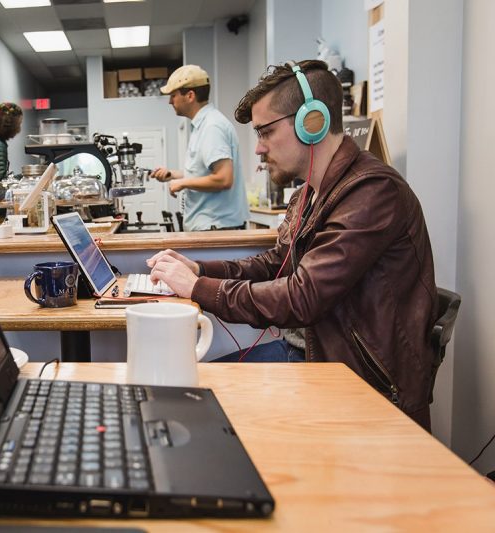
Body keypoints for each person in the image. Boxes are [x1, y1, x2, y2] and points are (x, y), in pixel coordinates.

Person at [146, 60, 438, 431]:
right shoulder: (309, 194)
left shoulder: (371, 192)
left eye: (265, 132)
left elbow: (303, 298)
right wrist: (200, 270)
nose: (258, 149)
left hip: (360, 379)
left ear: (311, 123)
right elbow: (275, 263)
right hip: (310, 353)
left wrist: (199, 289)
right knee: (184, 392)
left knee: (193, 409)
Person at [150, 65, 249, 231]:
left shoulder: (212, 126)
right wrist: (172, 174)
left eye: (173, 95)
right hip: (210, 227)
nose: (169, 101)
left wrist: (183, 183)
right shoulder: (202, 125)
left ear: (190, 96)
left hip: (216, 228)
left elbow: (224, 179)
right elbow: (205, 173)